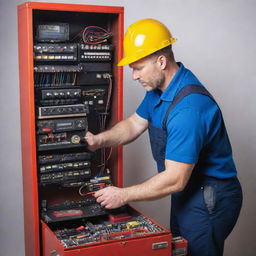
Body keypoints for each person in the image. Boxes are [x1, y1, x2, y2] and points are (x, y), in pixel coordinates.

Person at [85, 18, 243, 256]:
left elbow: (175, 179)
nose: (134, 76)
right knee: (178, 251)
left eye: (138, 68)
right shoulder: (160, 88)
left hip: (208, 196)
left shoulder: (189, 108)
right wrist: (99, 140)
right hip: (187, 191)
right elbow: (134, 124)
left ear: (161, 61)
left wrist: (123, 194)